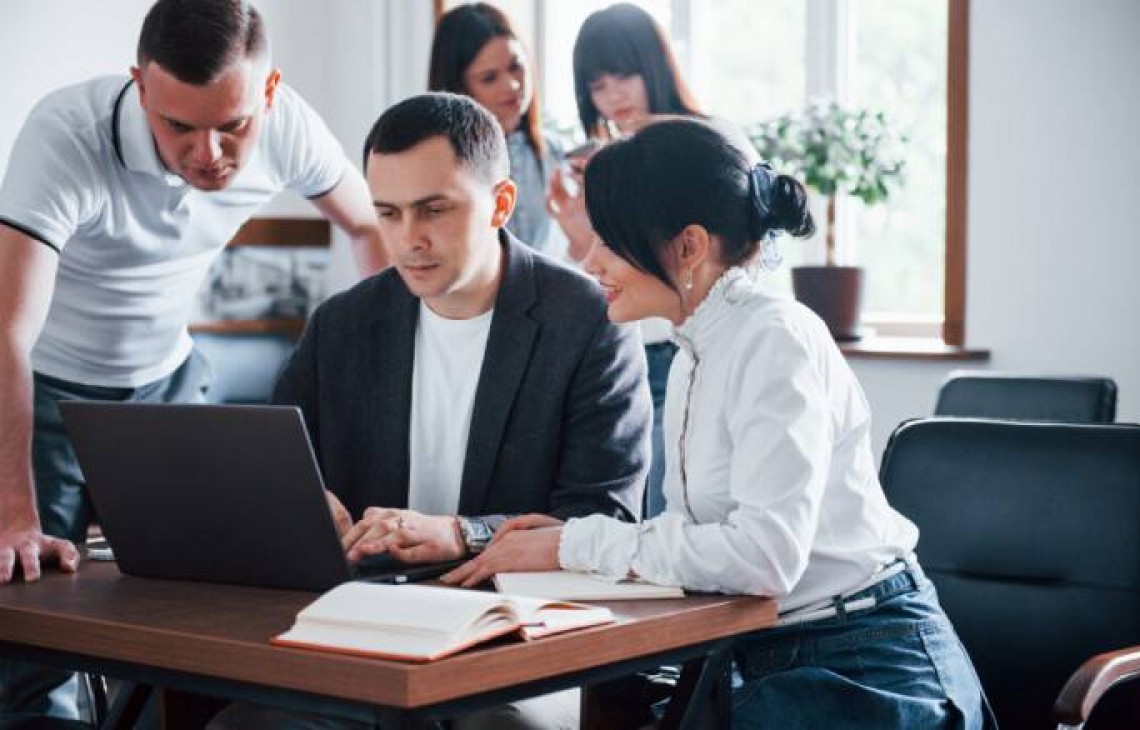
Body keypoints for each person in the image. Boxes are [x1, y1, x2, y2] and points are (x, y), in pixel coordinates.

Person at [444, 119, 996, 729]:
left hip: (864, 667)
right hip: (758, 657)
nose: (590, 260)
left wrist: (574, 543)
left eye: (611, 241)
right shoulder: (693, 352)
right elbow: (704, 540)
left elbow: (764, 556)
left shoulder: (775, 339)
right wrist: (570, 548)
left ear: (689, 247)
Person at [212, 92, 650, 730]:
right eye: (387, 213)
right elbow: (271, 467)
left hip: (519, 635)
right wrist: (305, 505)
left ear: (500, 204)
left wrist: (461, 533)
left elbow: (605, 519)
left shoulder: (589, 323)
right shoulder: (342, 325)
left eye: (434, 211)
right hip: (368, 627)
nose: (408, 240)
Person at [0, 0, 385, 720]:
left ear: (267, 94)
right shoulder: (65, 134)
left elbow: (367, 224)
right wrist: (14, 515)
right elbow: (5, 334)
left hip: (169, 384)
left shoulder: (290, 126)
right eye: (179, 126)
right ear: (140, 86)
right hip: (43, 389)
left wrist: (378, 368)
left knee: (197, 616)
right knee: (34, 641)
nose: (208, 153)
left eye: (232, 125)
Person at [550, 2, 723, 520]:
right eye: (597, 86)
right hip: (623, 356)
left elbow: (718, 260)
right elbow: (595, 276)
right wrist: (577, 230)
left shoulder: (708, 142)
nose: (612, 96)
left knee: (673, 513)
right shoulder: (599, 163)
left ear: (656, 63)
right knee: (631, 515)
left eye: (623, 74)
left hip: (687, 352)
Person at [428, 3, 564, 256]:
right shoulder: (436, 165)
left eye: (516, 66)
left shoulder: (556, 153)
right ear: (458, 88)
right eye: (489, 78)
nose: (512, 85)